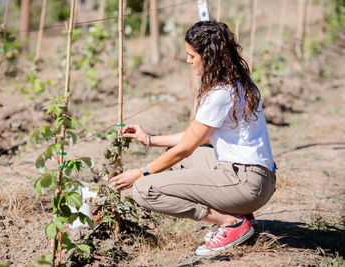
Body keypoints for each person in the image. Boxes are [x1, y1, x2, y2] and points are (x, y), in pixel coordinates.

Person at [109, 21, 276, 256]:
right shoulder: (239, 82)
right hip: (258, 179)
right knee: (175, 157)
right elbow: (195, 139)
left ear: (208, 56)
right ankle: (241, 215)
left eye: (191, 55)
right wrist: (149, 139)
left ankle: (231, 223)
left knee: (144, 190)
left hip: (247, 185)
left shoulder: (220, 94)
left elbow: (186, 147)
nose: (188, 60)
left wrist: (141, 172)